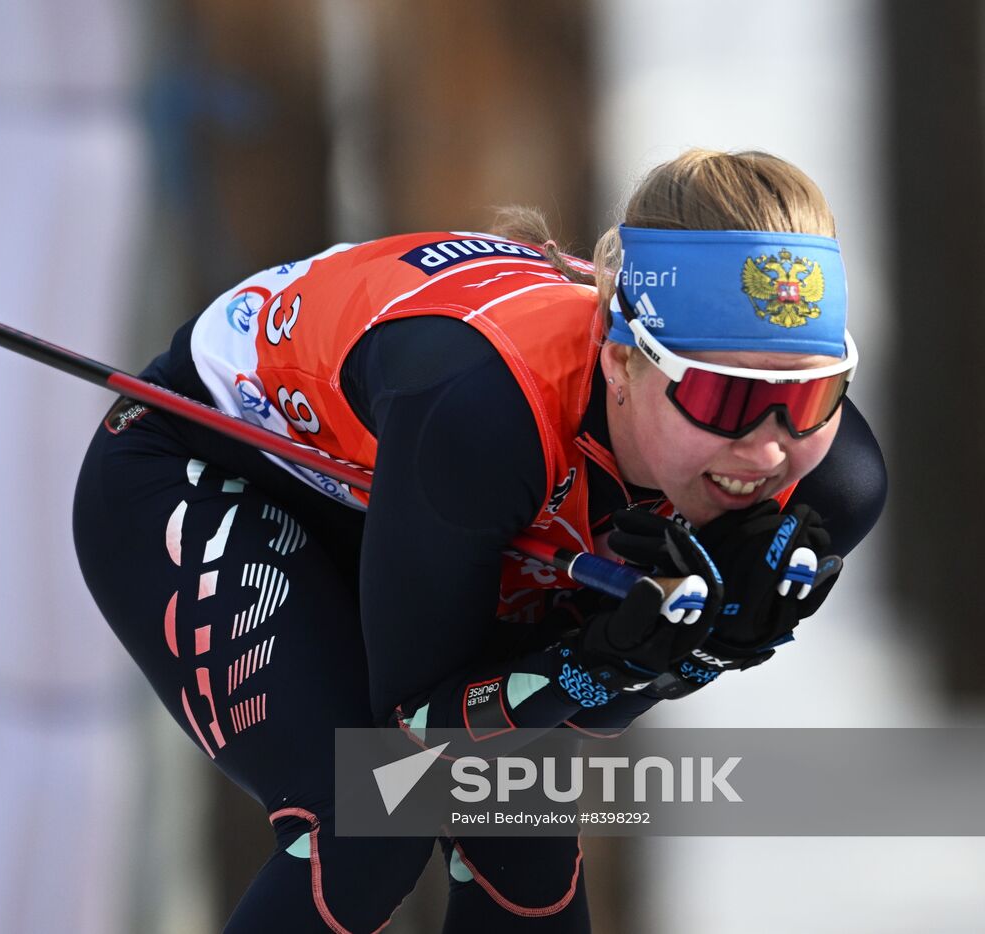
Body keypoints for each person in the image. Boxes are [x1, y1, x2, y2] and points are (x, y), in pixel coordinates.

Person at [72, 149, 886, 932]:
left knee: (520, 825)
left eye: (811, 395)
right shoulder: (487, 412)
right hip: (206, 460)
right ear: (620, 362)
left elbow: (559, 724)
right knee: (371, 814)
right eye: (723, 397)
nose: (769, 448)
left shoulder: (830, 485)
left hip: (426, 504)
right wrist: (609, 664)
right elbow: (418, 724)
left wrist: (679, 656)